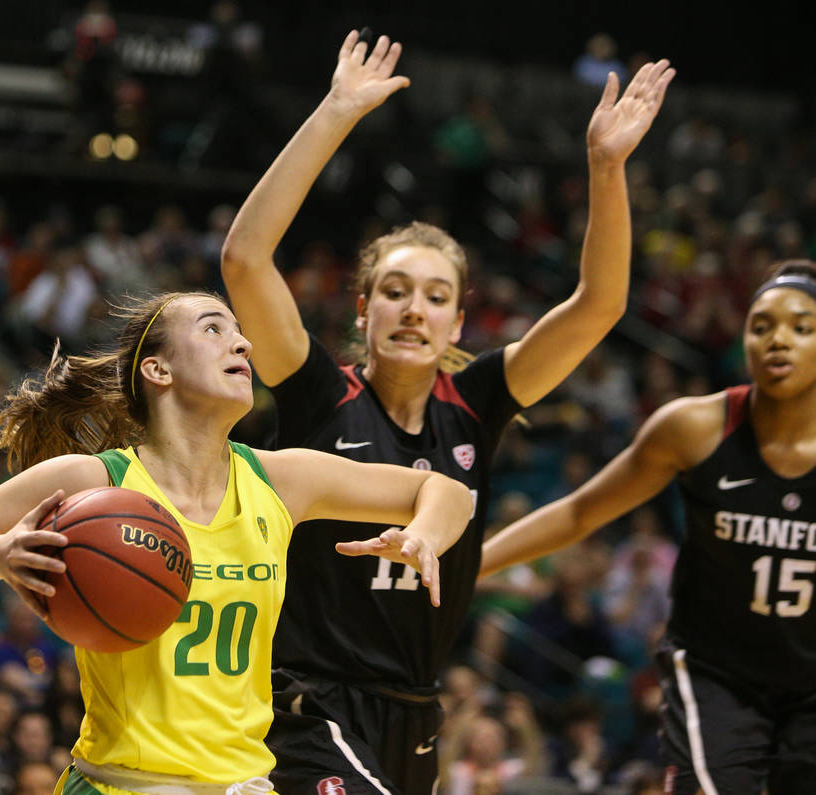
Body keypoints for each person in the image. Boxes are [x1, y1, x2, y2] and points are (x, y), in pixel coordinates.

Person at [219, 29, 673, 794]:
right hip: (306, 701)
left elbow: (600, 305)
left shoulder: (477, 404)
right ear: (362, 308)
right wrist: (334, 113)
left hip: (417, 708)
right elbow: (243, 260)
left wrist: (606, 166)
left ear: (459, 324)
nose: (413, 309)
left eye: (436, 297)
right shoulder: (317, 391)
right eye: (394, 290)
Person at [0, 291, 474, 793]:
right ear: (157, 370)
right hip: (122, 783)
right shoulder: (91, 485)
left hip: (245, 784)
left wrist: (422, 534)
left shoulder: (281, 479)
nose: (241, 344)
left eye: (241, 334)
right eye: (214, 329)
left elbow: (448, 492)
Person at [480, 261, 816, 794]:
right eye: (761, 326)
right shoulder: (694, 427)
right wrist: (472, 565)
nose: (779, 340)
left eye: (802, 327)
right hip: (717, 673)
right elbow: (581, 511)